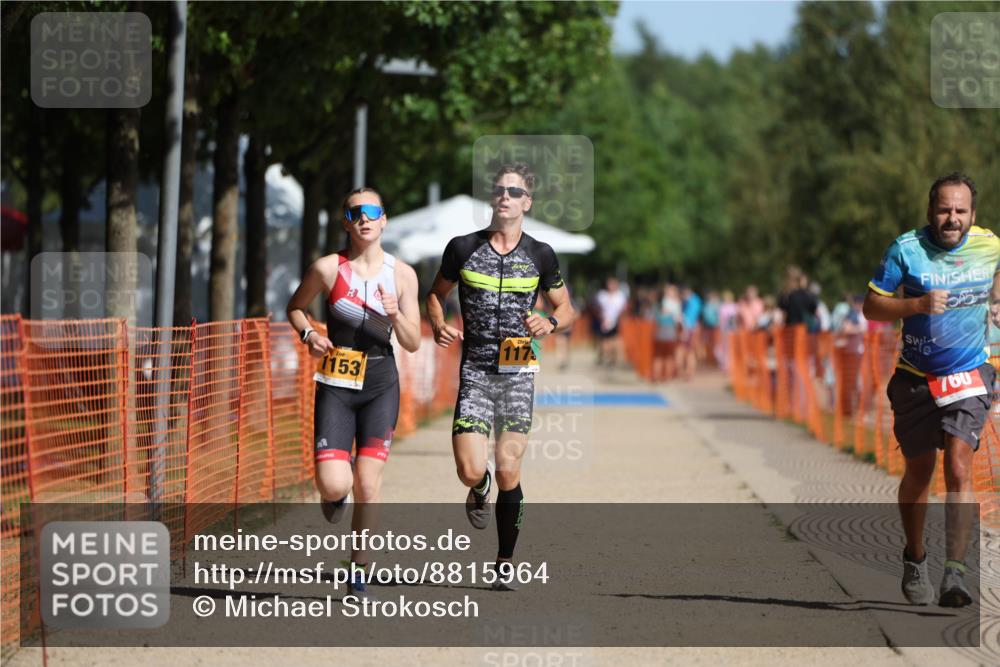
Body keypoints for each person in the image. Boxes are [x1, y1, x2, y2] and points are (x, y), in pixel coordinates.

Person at [426, 161, 576, 591]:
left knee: (510, 467)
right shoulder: (462, 248)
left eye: (515, 191)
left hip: (517, 374)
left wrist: (550, 322)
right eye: (499, 190)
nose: (505, 197)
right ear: (492, 199)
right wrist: (437, 323)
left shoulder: (541, 254)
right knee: (470, 469)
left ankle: (505, 560)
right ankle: (479, 486)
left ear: (527, 201)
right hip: (475, 371)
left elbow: (566, 309)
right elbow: (434, 296)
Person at [864, 173, 1000, 608]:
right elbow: (871, 307)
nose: (952, 218)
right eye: (944, 210)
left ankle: (955, 574)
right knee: (919, 473)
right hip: (916, 379)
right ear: (930, 211)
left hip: (968, 374)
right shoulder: (905, 250)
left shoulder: (990, 245)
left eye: (960, 211)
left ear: (973, 215)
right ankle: (915, 555)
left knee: (960, 464)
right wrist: (916, 305)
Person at [286, 186, 421, 600]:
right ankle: (333, 494)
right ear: (346, 222)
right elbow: (296, 307)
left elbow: (413, 341)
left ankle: (358, 568)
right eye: (355, 212)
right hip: (337, 384)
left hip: (380, 384)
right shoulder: (328, 270)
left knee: (368, 483)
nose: (364, 218)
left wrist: (396, 314)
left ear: (384, 219)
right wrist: (309, 334)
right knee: (333, 483)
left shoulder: (403, 275)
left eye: (372, 211)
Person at [595, 276, 628, 368]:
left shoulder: (620, 296)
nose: (611, 286)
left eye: (613, 284)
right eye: (609, 284)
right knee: (605, 343)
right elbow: (598, 308)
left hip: (616, 322)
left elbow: (624, 309)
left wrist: (620, 318)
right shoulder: (602, 295)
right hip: (604, 322)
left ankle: (613, 360)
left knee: (614, 342)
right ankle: (608, 358)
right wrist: (601, 318)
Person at [653, 284, 682, 382]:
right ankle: (665, 375)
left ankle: (660, 375)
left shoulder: (661, 302)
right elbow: (678, 319)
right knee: (667, 354)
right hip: (668, 329)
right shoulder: (674, 303)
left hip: (662, 329)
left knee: (661, 354)